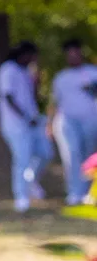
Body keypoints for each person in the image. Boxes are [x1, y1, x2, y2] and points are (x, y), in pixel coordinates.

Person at [0, 41, 49, 212]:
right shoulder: (7, 69)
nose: (33, 59)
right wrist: (25, 118)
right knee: (22, 160)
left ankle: (31, 181)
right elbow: (8, 97)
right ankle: (21, 197)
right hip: (15, 125)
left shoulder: (25, 71)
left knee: (45, 153)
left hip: (33, 122)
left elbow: (34, 97)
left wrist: (36, 81)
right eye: (32, 55)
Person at [51, 38, 97, 205]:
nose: (73, 57)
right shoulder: (61, 78)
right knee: (71, 155)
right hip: (68, 121)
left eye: (75, 54)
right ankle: (74, 192)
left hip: (90, 120)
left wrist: (92, 89)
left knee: (88, 157)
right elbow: (55, 103)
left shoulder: (92, 73)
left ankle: (88, 193)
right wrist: (50, 124)